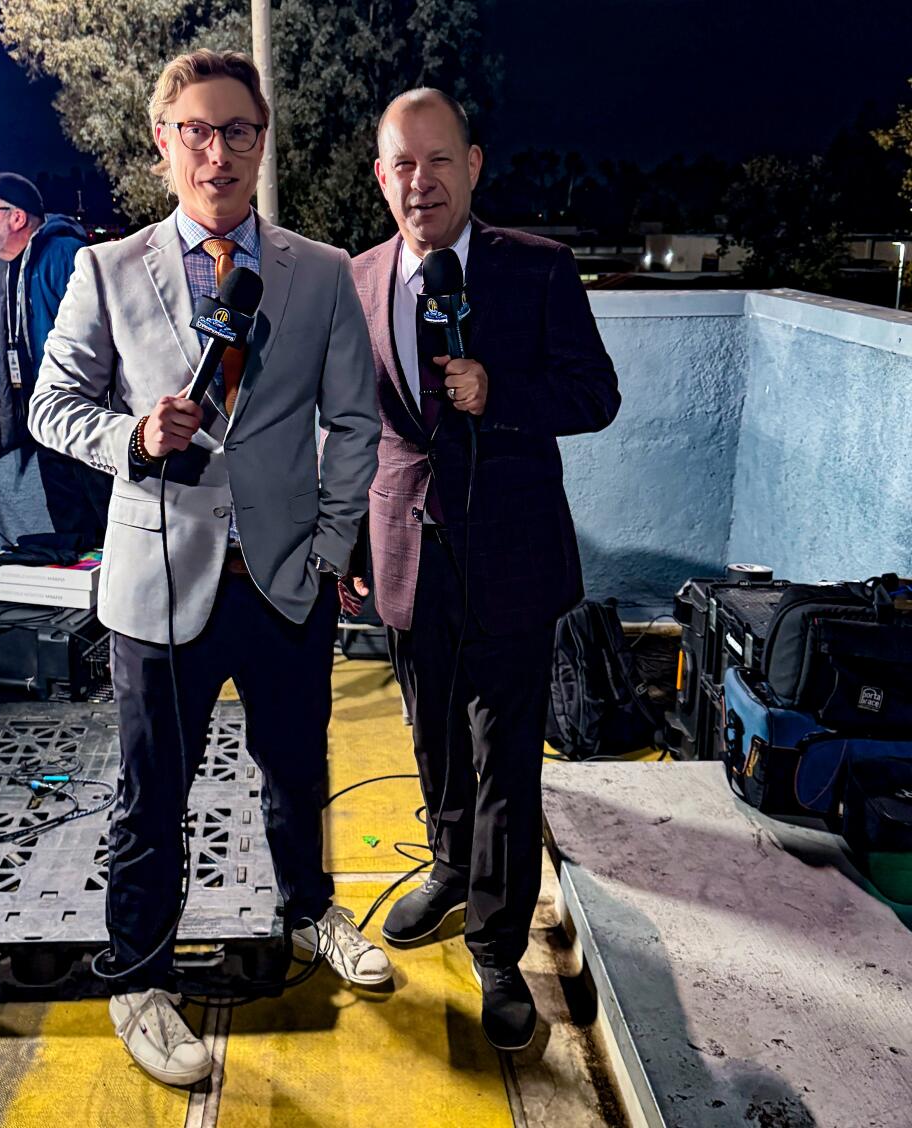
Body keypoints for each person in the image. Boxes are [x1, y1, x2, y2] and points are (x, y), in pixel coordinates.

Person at [28, 49, 386, 1087]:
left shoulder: (319, 271)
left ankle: (310, 912)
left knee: (298, 768)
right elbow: (54, 409)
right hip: (157, 583)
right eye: (196, 130)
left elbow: (353, 422)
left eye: (237, 130)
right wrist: (134, 436)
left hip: (282, 578)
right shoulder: (105, 268)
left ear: (261, 141)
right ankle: (137, 977)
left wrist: (326, 549)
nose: (217, 151)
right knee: (152, 796)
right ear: (162, 141)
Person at [345, 88, 620, 1052]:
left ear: (474, 163)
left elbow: (596, 396)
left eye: (438, 160)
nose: (420, 182)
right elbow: (352, 430)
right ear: (381, 176)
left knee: (505, 755)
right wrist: (347, 542)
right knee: (431, 738)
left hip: (511, 553)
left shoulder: (538, 270)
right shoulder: (359, 275)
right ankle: (451, 869)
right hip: (404, 553)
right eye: (401, 164)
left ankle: (500, 946)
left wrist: (500, 393)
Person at [0, 172, 111, 544]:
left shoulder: (65, 256)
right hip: (46, 424)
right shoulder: (5, 264)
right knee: (73, 538)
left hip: (86, 421)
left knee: (110, 533)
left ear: (16, 218)